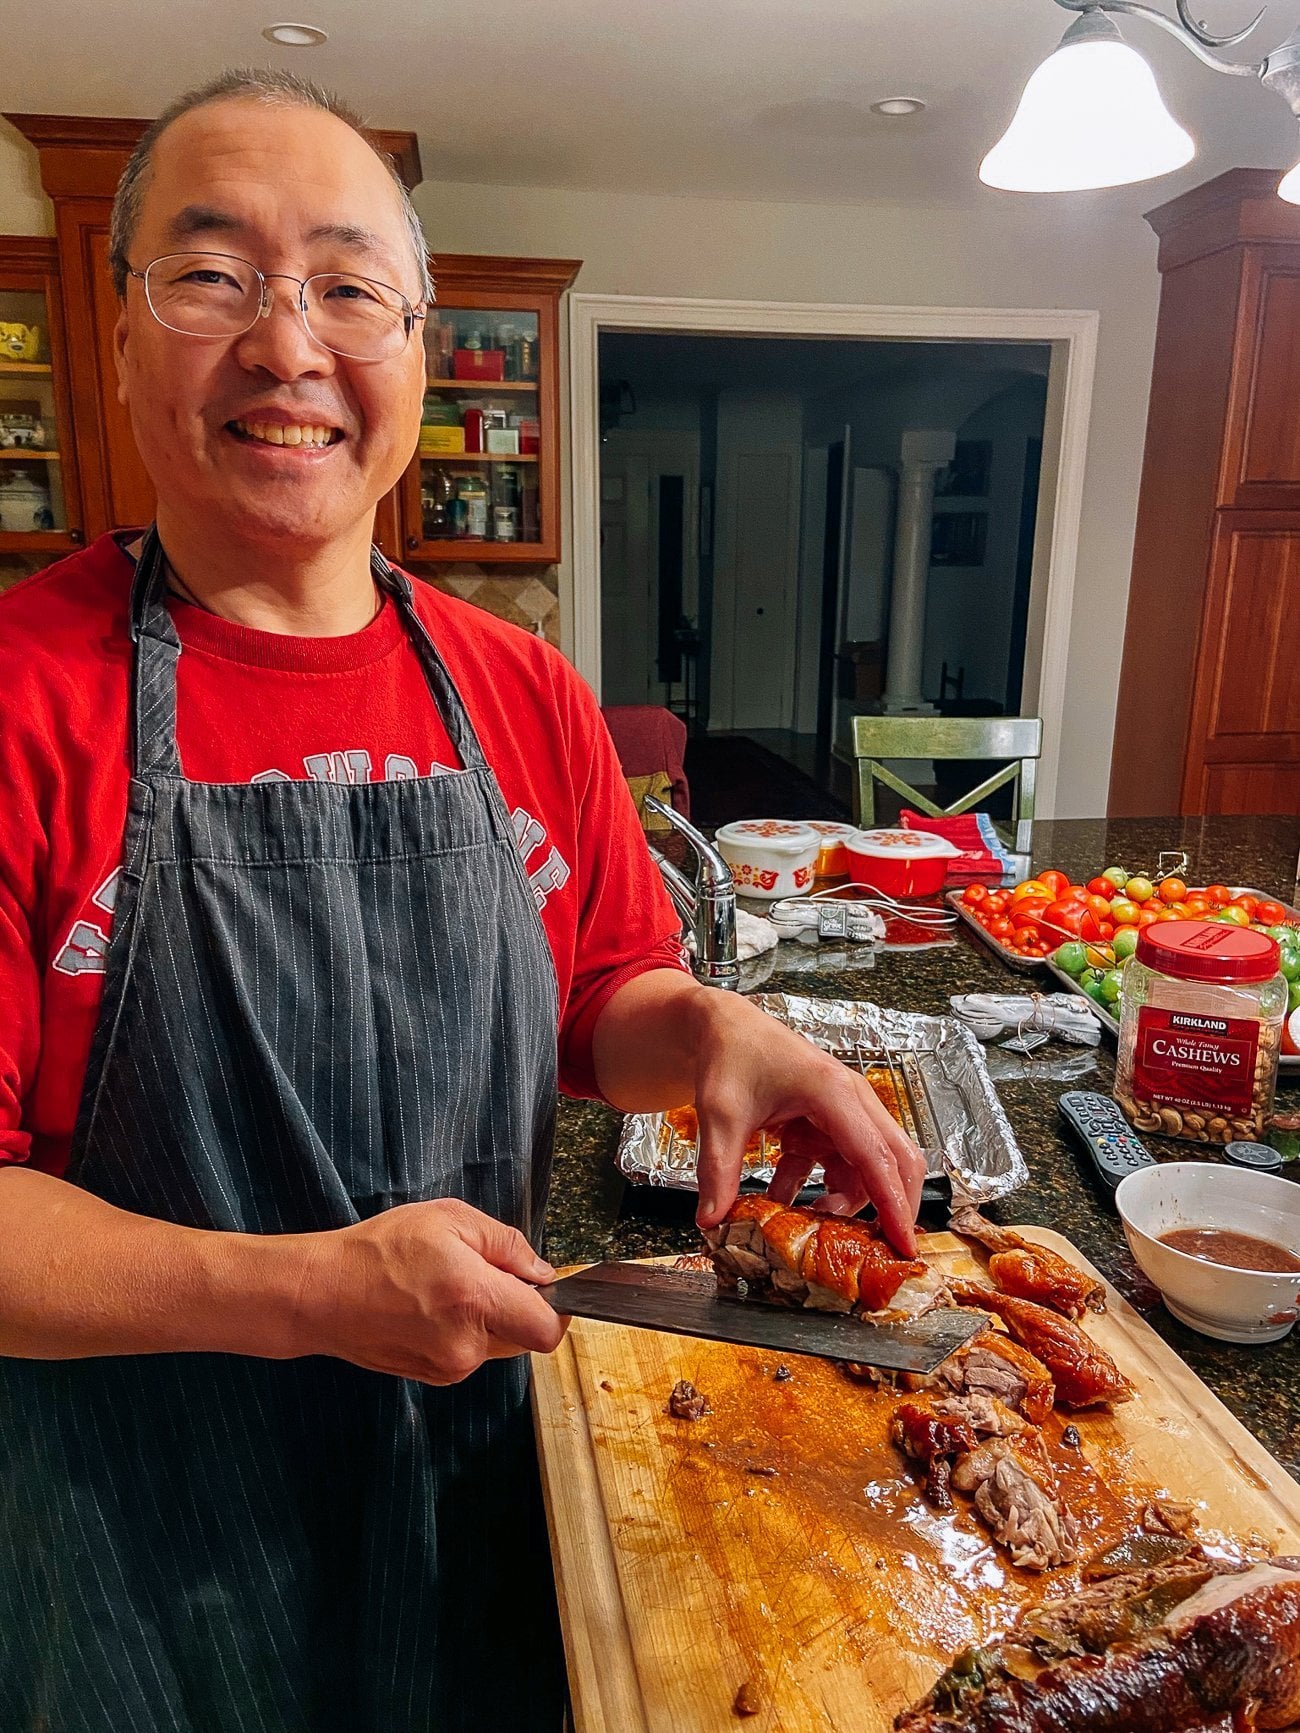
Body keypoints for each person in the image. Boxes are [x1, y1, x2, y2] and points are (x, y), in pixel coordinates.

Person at [0, 69, 926, 1732]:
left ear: (418, 349)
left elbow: (597, 1001)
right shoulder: (17, 702)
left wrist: (720, 1031)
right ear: (122, 334)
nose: (289, 345)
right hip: (142, 1540)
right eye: (212, 276)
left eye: (350, 287)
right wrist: (310, 1294)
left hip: (491, 1480)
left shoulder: (521, 689)